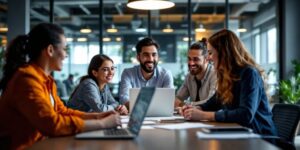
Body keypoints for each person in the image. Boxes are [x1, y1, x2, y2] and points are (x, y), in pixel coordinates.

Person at [0, 23, 121, 150]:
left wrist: (96, 116)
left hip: (41, 143)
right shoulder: (26, 79)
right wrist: (101, 124)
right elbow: (51, 124)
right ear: (50, 50)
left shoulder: (47, 80)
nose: (65, 55)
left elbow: (62, 111)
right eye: (64, 49)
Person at [180, 29, 277, 136]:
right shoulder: (226, 75)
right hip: (239, 133)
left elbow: (246, 114)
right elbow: (215, 101)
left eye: (211, 53)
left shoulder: (249, 73)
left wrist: (204, 115)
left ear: (224, 53)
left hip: (259, 136)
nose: (209, 58)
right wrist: (196, 108)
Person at [119, 37, 174, 107]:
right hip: (136, 115)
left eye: (154, 55)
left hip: (159, 115)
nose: (150, 59)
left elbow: (168, 100)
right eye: (146, 55)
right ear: (138, 57)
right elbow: (124, 98)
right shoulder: (128, 73)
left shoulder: (166, 74)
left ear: (158, 57)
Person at [174, 38, 216, 107]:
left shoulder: (215, 74)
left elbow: (210, 103)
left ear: (206, 60)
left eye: (196, 59)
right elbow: (178, 98)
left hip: (208, 116)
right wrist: (179, 103)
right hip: (193, 117)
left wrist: (185, 105)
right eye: (189, 59)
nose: (191, 63)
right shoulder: (189, 76)